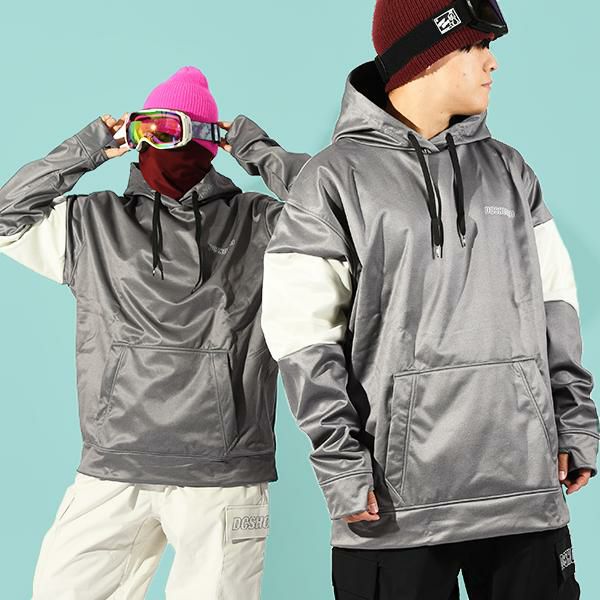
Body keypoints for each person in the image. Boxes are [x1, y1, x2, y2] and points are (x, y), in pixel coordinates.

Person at [259, 1, 599, 598]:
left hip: (524, 494)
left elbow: (557, 307)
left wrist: (575, 422)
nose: (492, 63)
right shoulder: (331, 182)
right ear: (427, 54)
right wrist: (340, 464)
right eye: (475, 46)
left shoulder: (510, 170)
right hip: (395, 507)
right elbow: (303, 341)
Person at [0, 66, 309, 599]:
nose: (164, 144)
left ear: (210, 142)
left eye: (180, 130)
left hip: (222, 475)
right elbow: (7, 217)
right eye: (152, 129)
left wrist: (257, 149)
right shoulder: (93, 223)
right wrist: (89, 146)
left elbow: (345, 215)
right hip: (115, 465)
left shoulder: (259, 223)